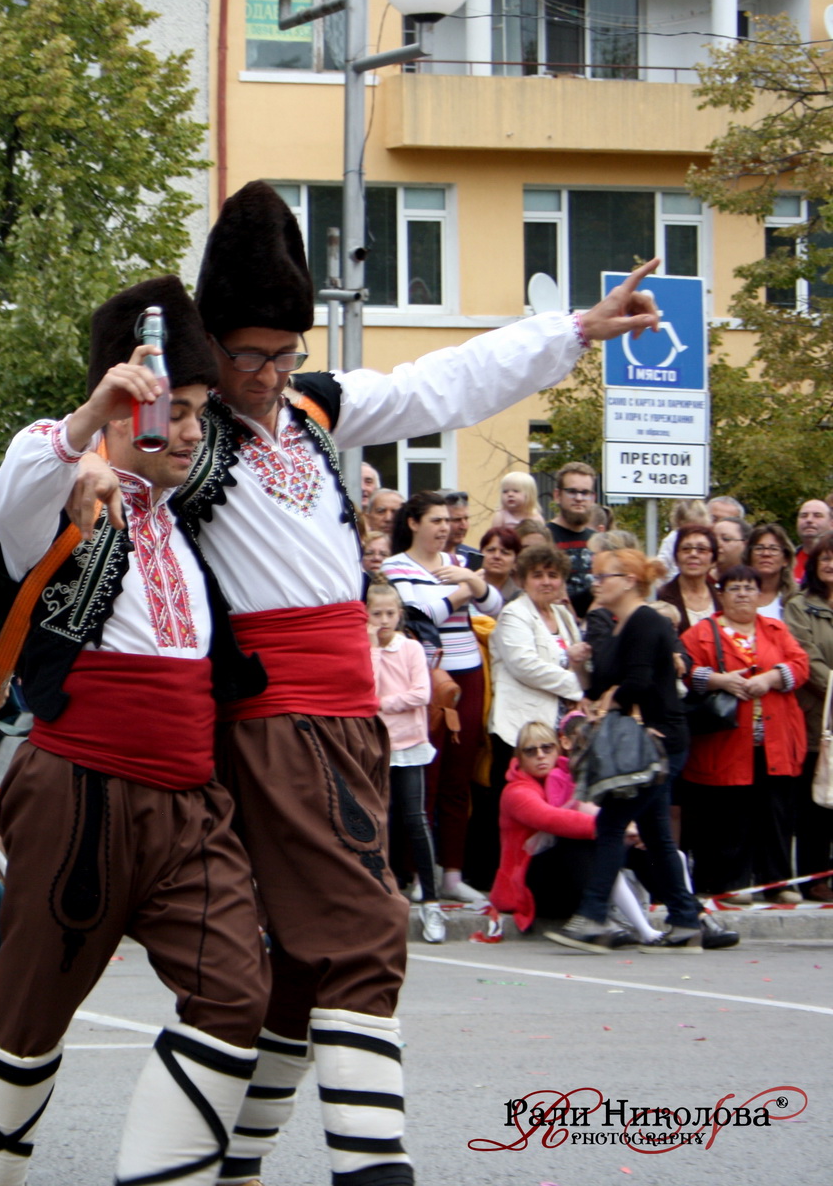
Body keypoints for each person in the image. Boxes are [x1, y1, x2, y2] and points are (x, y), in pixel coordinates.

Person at [86, 180, 659, 1186]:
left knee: (303, 964)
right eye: (247, 355)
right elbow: (102, 464)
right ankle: (374, 1170)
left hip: (352, 719)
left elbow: (443, 383)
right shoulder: (189, 436)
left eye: (285, 353)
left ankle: (235, 1164)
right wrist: (101, 442)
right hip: (271, 718)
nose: (267, 375)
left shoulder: (315, 408)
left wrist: (573, 329)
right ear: (211, 346)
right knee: (363, 931)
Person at [0, 279, 261, 1186]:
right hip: (79, 795)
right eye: (180, 409)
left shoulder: (188, 525)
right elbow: (12, 493)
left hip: (190, 804)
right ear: (130, 406)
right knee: (26, 1019)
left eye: (202, 412)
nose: (196, 431)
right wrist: (88, 423)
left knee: (236, 992)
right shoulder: (65, 498)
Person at [548, 548, 703, 953]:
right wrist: (580, 666)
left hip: (659, 740)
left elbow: (639, 682)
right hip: (643, 742)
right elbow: (599, 688)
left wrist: (609, 701)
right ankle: (687, 920)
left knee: (612, 822)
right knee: (655, 833)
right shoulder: (620, 627)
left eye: (604, 576)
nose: (596, 583)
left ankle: (593, 915)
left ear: (630, 581)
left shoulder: (648, 621)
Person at [382, 492, 503, 902]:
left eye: (448, 521)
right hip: (427, 676)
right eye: (436, 520)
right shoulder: (395, 566)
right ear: (413, 523)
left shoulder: (457, 562)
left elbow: (496, 604)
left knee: (458, 775)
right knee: (426, 775)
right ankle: (419, 872)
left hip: (468, 672)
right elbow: (418, 615)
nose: (445, 528)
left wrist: (473, 583)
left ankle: (452, 872)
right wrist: (464, 591)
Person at [679, 565, 809, 903]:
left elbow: (800, 664)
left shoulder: (775, 629)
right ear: (721, 595)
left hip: (775, 740)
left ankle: (778, 883)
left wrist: (770, 678)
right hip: (725, 741)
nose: (742, 594)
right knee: (730, 814)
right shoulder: (701, 633)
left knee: (776, 813)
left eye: (749, 588)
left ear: (759, 594)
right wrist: (719, 681)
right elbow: (683, 669)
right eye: (734, 588)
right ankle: (730, 883)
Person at [491, 720, 664, 944]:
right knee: (577, 841)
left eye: (547, 748)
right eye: (530, 751)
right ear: (520, 757)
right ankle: (606, 919)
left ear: (558, 749)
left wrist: (630, 829)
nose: (540, 755)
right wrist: (614, 828)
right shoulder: (516, 791)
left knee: (642, 845)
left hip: (566, 881)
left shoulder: (567, 775)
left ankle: (684, 914)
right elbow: (551, 818)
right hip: (529, 888)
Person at [369, 580, 441, 944]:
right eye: (376, 614)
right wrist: (372, 650)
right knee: (377, 820)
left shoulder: (411, 648)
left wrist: (383, 704)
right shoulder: (366, 650)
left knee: (415, 819)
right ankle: (381, 899)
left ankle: (432, 901)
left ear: (399, 614)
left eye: (389, 613)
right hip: (377, 746)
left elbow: (421, 694)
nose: (384, 621)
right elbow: (365, 688)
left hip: (409, 744)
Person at [488, 542, 583, 814]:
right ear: (522, 580)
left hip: (555, 729)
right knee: (522, 808)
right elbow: (525, 666)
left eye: (553, 575)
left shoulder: (563, 614)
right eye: (537, 575)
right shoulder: (514, 614)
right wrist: (579, 688)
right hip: (520, 729)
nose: (546, 582)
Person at [785, 532, 833, 901]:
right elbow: (806, 656)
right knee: (815, 804)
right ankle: (813, 878)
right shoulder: (800, 606)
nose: (831, 564)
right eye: (826, 557)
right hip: (817, 718)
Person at [547, 461, 599, 615]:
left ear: (593, 498)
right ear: (557, 495)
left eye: (585, 492)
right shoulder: (543, 537)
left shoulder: (599, 542)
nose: (579, 498)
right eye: (572, 491)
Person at [655, 524, 720, 632]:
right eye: (686, 549)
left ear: (713, 560)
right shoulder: (661, 596)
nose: (693, 554)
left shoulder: (721, 598)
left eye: (702, 549)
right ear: (676, 557)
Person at [744, 523, 795, 621]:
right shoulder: (737, 594)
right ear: (749, 557)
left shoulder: (796, 599)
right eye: (759, 548)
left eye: (774, 549)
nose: (766, 554)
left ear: (786, 559)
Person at [654, 498, 709, 581]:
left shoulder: (706, 539)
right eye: (690, 526)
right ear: (680, 523)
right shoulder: (673, 539)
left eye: (698, 527)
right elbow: (662, 563)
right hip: (675, 581)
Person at [478, 525, 523, 605]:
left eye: (505, 552)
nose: (497, 556)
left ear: (515, 561)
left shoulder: (521, 599)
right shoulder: (466, 589)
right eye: (491, 550)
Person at [443, 490, 482, 570]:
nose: (463, 526)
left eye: (466, 519)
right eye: (457, 520)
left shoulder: (474, 558)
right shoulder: (424, 558)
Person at [795, 499, 831, 583]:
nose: (809, 520)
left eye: (817, 515)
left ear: (831, 523)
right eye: (804, 516)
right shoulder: (785, 561)